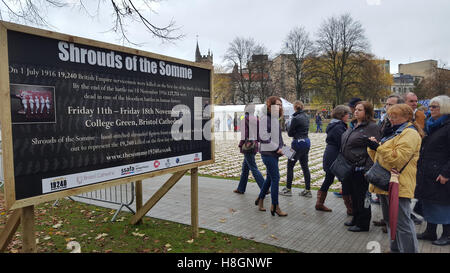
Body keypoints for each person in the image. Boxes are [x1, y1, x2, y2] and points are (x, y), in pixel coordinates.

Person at [367, 103, 423, 253]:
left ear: (406, 117)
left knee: (402, 223)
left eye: (394, 116)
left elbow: (398, 159)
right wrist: (372, 147)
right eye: (389, 115)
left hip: (399, 183)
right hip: (387, 182)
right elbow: (381, 159)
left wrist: (378, 147)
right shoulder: (395, 131)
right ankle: (396, 249)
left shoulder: (410, 134)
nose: (390, 119)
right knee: (391, 221)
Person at [415, 95, 450, 246]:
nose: (431, 109)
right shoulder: (431, 125)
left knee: (442, 205)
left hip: (441, 173)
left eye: (434, 107)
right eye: (430, 106)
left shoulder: (447, 127)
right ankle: (430, 231)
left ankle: (447, 235)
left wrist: (446, 173)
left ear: (444, 108)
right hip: (428, 171)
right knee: (428, 202)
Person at [340, 101, 380, 232]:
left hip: (361, 167)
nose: (356, 112)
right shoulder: (353, 125)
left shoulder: (372, 127)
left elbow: (374, 150)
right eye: (355, 109)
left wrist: (368, 168)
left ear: (367, 112)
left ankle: (363, 223)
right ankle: (356, 218)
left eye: (360, 110)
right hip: (349, 167)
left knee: (362, 196)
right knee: (354, 195)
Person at [255, 96, 287, 216]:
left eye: (280, 105)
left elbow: (278, 138)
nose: (278, 107)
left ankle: (260, 199)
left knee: (269, 178)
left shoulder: (274, 118)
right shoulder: (265, 118)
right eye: (276, 105)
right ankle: (275, 206)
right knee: (275, 178)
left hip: (274, 153)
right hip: (268, 153)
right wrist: (277, 148)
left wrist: (286, 149)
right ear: (270, 106)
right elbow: (263, 137)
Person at [315, 105, 351, 212]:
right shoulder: (338, 126)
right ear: (342, 115)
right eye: (347, 114)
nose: (349, 116)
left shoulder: (335, 124)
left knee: (329, 179)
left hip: (330, 153)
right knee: (345, 180)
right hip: (335, 155)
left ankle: (319, 203)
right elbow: (343, 142)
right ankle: (350, 207)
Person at [281, 101, 311, 197]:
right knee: (305, 167)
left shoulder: (295, 118)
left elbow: (290, 133)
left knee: (290, 166)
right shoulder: (307, 116)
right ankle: (307, 190)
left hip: (297, 143)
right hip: (306, 142)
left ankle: (288, 189)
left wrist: (287, 125)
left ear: (294, 108)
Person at [333, 97, 362, 198]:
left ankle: (347, 196)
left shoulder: (343, 125)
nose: (351, 113)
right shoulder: (341, 126)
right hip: (343, 154)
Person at [234, 104, 266, 194]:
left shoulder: (245, 119)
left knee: (253, 167)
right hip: (254, 144)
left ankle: (264, 187)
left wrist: (241, 145)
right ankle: (241, 188)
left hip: (248, 146)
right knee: (245, 168)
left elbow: (244, 135)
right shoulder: (256, 119)